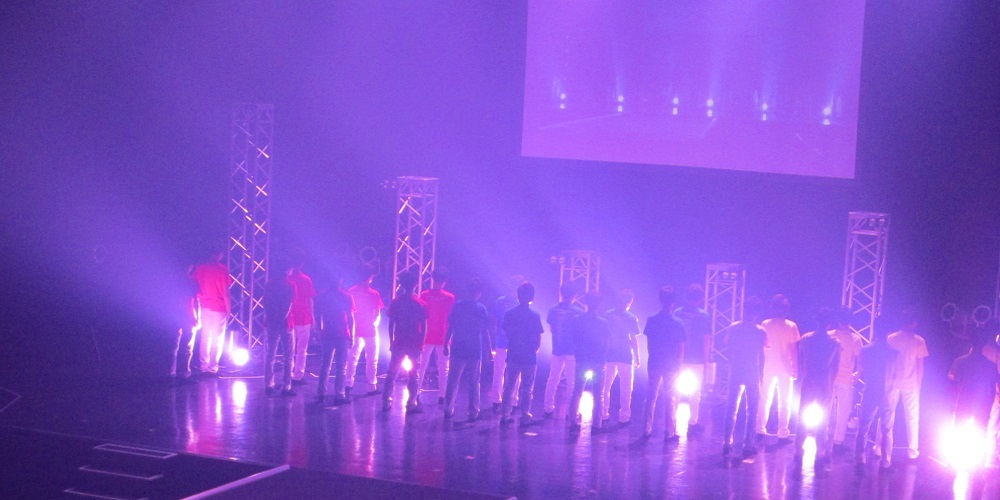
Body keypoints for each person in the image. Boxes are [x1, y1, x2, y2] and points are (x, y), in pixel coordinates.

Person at [794, 308, 841, 470]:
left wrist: (806, 374)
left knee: (802, 415)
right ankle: (820, 451)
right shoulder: (834, 343)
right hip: (824, 383)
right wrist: (831, 382)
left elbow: (802, 361)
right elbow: (836, 367)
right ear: (829, 323)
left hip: (809, 381)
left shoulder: (806, 339)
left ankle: (798, 449)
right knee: (823, 419)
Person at [722, 297, 769, 458]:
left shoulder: (733, 327)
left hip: (736, 370)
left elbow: (727, 346)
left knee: (731, 408)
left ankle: (727, 442)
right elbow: (762, 354)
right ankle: (748, 444)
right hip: (752, 371)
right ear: (756, 313)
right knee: (752, 409)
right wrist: (761, 374)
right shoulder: (760, 331)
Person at [882, 308, 929, 465]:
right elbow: (920, 366)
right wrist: (919, 386)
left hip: (892, 382)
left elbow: (887, 362)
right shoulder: (919, 341)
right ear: (914, 323)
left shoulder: (891, 338)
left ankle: (879, 447)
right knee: (912, 418)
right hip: (911, 384)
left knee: (887, 415)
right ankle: (912, 450)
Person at [948, 324, 999, 467]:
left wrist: (954, 399)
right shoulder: (989, 365)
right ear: (984, 343)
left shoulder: (961, 361)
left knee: (958, 431)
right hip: (981, 404)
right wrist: (989, 405)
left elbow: (952, 382)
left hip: (963, 401)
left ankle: (953, 464)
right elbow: (992, 388)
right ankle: (977, 468)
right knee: (981, 434)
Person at [443, 278, 493, 421]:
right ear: (478, 292)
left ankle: (448, 409)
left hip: (458, 347)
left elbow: (451, 326)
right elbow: (485, 331)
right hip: (475, 349)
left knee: (453, 380)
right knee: (474, 381)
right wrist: (489, 349)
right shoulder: (481, 309)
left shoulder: (457, 306)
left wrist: (446, 343)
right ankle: (473, 411)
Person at [641, 286, 687, 440]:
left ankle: (646, 429)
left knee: (650, 397)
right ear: (673, 302)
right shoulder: (678, 322)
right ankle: (669, 430)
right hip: (671, 364)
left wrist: (652, 357)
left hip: (654, 362)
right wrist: (679, 366)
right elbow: (681, 348)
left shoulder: (652, 319)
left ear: (660, 299)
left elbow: (649, 343)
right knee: (670, 398)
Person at [383, 271, 429, 413]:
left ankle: (386, 401)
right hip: (414, 342)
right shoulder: (420, 304)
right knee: (413, 376)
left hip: (399, 341)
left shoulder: (396, 302)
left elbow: (391, 324)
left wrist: (391, 341)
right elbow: (424, 327)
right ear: (415, 284)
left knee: (392, 373)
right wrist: (421, 344)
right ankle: (411, 403)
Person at [756, 294, 801, 441]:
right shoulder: (791, 326)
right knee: (785, 402)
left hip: (768, 366)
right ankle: (783, 432)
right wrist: (795, 368)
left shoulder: (765, 324)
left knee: (765, 399)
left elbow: (762, 346)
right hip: (785, 367)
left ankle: (760, 429)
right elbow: (793, 350)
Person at [500, 282, 545, 426]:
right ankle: (525, 414)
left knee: (509, 386)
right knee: (527, 388)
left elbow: (506, 332)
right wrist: (534, 349)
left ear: (518, 296)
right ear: (532, 297)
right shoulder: (535, 315)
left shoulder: (509, 313)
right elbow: (538, 337)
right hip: (529, 355)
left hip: (513, 353)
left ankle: (505, 414)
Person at [567, 292, 612, 432]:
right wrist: (603, 355)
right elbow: (607, 343)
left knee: (577, 391)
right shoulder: (603, 322)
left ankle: (573, 421)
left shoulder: (577, 319)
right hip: (598, 360)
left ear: (586, 303)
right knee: (598, 394)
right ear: (599, 304)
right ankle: (597, 424)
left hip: (582, 358)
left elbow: (574, 338)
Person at [854, 323, 897, 466]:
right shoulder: (894, 352)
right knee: (886, 429)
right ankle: (886, 459)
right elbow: (896, 374)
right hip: (888, 393)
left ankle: (860, 456)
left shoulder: (866, 350)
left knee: (864, 426)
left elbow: (864, 369)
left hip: (871, 391)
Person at [673, 283, 711, 434]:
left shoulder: (678, 312)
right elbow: (706, 339)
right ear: (701, 298)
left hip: (678, 356)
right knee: (696, 391)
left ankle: (672, 420)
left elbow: (673, 336)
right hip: (697, 357)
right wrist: (706, 359)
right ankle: (693, 422)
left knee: (675, 389)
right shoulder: (704, 315)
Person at [314, 272, 356, 406]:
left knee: (325, 365)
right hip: (342, 334)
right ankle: (340, 394)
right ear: (341, 281)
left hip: (327, 334)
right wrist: (352, 335)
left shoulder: (322, 296)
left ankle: (321, 393)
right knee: (341, 367)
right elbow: (350, 318)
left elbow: (317, 316)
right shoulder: (346, 296)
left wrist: (319, 332)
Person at [188, 248, 231, 376]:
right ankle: (212, 368)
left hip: (204, 305)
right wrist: (229, 309)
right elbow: (225, 292)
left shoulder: (201, 268)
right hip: (219, 307)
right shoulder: (222, 269)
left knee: (205, 337)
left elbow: (192, 280)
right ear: (219, 254)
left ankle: (203, 366)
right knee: (217, 339)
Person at [543, 283, 582, 418]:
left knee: (553, 378)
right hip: (572, 350)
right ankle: (572, 410)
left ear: (561, 293)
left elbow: (552, 328)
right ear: (575, 295)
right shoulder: (578, 312)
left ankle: (548, 407)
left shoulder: (553, 309)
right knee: (572, 381)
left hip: (557, 348)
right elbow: (580, 333)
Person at [601, 289, 640, 425]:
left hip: (609, 355)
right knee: (626, 389)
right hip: (625, 356)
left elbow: (604, 336)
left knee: (604, 388)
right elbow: (633, 339)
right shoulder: (631, 317)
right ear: (630, 301)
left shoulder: (608, 315)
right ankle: (624, 417)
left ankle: (603, 414)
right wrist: (637, 356)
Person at [345, 265, 385, 396]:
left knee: (352, 358)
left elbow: (348, 311)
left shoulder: (352, 291)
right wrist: (374, 323)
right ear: (371, 277)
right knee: (372, 359)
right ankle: (371, 386)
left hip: (355, 328)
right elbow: (378, 312)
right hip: (370, 329)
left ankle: (348, 384)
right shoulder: (374, 293)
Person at [418, 268, 456, 403]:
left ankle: (416, 392)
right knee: (443, 367)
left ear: (432, 279)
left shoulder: (424, 295)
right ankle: (442, 395)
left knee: (421, 365)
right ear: (444, 281)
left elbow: (420, 316)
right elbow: (451, 318)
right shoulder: (450, 297)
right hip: (443, 335)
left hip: (426, 334)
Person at [830, 308, 864, 450]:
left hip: (833, 377)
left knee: (831, 409)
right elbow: (860, 362)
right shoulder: (855, 339)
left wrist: (858, 373)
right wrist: (858, 374)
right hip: (842, 378)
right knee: (842, 411)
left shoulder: (831, 335)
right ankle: (837, 441)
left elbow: (860, 361)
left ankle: (827, 437)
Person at [490, 276, 523, 413]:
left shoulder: (500, 300)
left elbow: (496, 322)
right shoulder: (520, 303)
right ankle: (513, 400)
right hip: (515, 342)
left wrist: (497, 336)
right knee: (515, 373)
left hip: (502, 340)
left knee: (499, 371)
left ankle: (496, 400)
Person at [263, 260, 295, 396]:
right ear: (288, 270)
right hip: (286, 323)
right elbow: (288, 305)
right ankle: (286, 386)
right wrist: (281, 319)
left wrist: (270, 319)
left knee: (270, 353)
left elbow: (265, 302)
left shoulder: (270, 284)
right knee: (288, 355)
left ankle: (268, 384)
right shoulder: (290, 285)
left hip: (271, 322)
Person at [288, 253, 317, 384]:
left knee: (289, 349)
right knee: (301, 349)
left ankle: (288, 374)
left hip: (290, 317)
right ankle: (298, 375)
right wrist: (312, 316)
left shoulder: (287, 278)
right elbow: (310, 300)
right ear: (301, 263)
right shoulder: (306, 279)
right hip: (303, 317)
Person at [169, 277, 200, 382]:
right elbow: (197, 302)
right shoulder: (192, 282)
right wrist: (198, 318)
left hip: (175, 317)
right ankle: (185, 372)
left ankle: (172, 372)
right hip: (189, 317)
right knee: (187, 347)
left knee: (174, 346)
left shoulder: (173, 281)